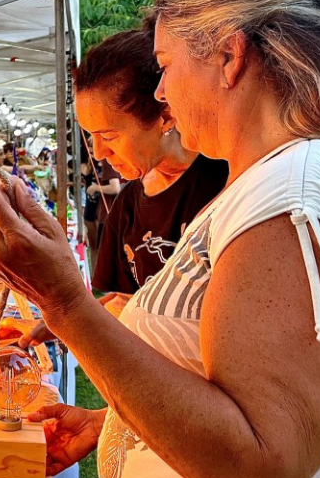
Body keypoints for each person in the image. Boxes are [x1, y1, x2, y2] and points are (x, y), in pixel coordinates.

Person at [0, 0, 320, 478]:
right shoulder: (275, 181)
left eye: (165, 66)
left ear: (230, 58)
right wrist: (121, 421)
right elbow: (233, 388)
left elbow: (257, 467)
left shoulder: (293, 191)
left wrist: (65, 304)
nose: (160, 92)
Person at [75, 24, 228, 312]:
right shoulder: (127, 208)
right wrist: (66, 321)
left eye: (108, 136)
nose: (98, 153)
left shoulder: (226, 183)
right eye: (90, 137)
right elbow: (126, 304)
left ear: (166, 115)